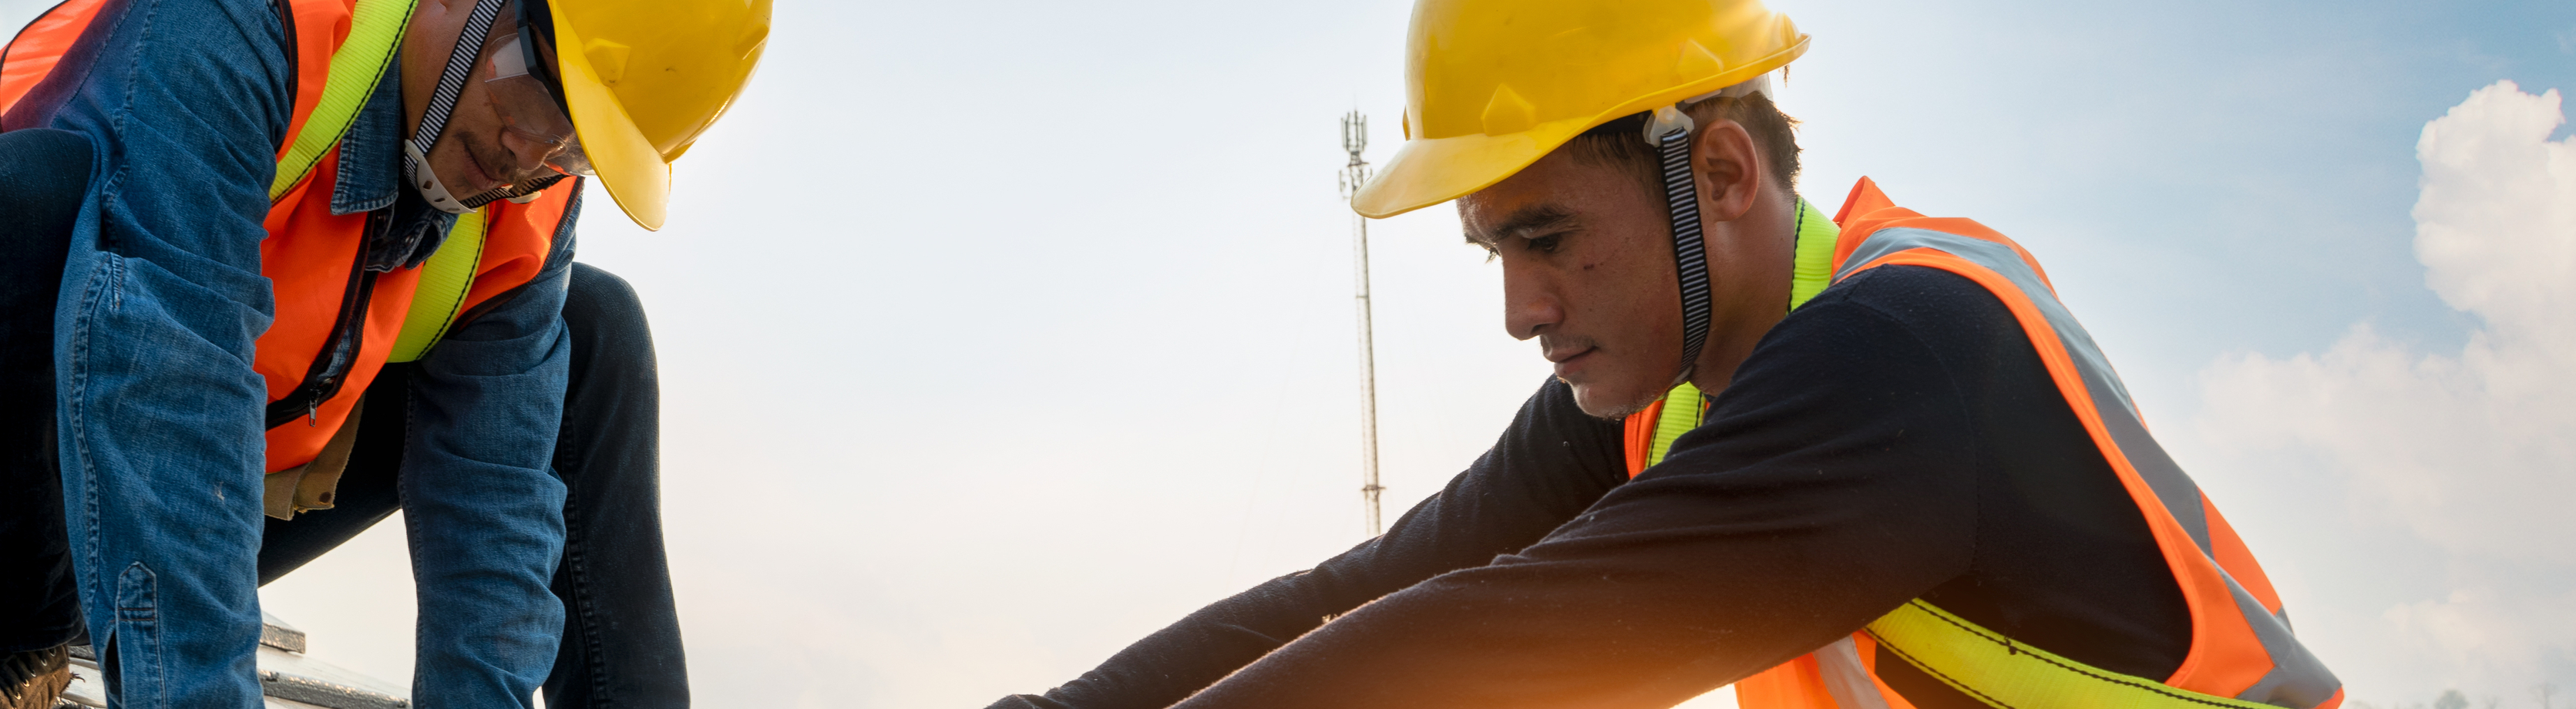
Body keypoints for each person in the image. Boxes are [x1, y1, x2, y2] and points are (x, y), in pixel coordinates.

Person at [985, 2, 2343, 708]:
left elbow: (1471, 657)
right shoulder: (1660, 393)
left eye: (1551, 239)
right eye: (1493, 255)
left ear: (1725, 173)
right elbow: (1366, 596)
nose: (1520, 310)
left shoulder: (1903, 356)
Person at [0, 0, 770, 707]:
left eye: (576, 144)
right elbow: (170, 380)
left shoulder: (533, 199)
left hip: (131, 546)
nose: (529, 154)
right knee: (29, 195)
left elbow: (498, 506)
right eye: (539, 91)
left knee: (593, 333)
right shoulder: (254, 20)